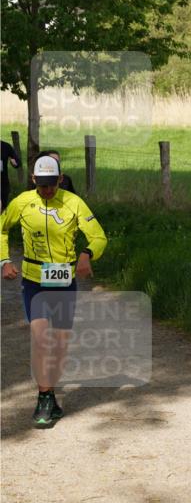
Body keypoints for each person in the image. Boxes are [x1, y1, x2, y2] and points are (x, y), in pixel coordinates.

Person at [0, 154, 107, 427]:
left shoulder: (73, 203)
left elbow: (98, 236)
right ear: (33, 179)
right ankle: (44, 397)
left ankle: (51, 394)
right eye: (42, 184)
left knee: (59, 344)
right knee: (40, 339)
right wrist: (4, 260)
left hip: (63, 280)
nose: (47, 189)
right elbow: (1, 229)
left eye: (52, 183)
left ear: (60, 179)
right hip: (33, 280)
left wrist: (87, 254)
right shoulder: (22, 202)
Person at [1, 139, 21, 211]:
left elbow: (17, 162)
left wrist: (14, 163)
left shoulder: (5, 146)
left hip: (2, 182)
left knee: (2, 206)